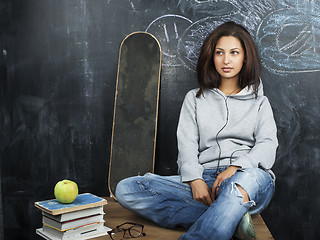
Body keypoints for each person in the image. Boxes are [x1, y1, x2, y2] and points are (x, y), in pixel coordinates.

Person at [115, 21, 278, 240]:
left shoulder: (260, 102)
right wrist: (194, 179)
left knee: (244, 182)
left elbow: (267, 145)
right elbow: (187, 144)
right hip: (205, 178)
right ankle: (232, 217)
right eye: (219, 53)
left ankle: (212, 225)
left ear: (245, 57)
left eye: (234, 53)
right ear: (212, 57)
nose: (226, 60)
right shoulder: (194, 99)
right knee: (127, 189)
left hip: (247, 178)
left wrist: (235, 167)